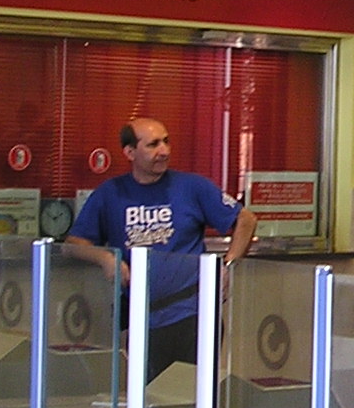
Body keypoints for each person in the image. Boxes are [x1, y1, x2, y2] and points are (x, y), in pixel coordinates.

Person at [65, 117, 258, 380]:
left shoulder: (192, 187)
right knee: (148, 397)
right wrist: (105, 258)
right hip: (141, 318)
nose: (164, 151)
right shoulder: (110, 193)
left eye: (166, 142)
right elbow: (73, 245)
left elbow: (246, 220)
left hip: (193, 314)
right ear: (130, 152)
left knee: (191, 395)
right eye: (153, 144)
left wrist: (228, 265)